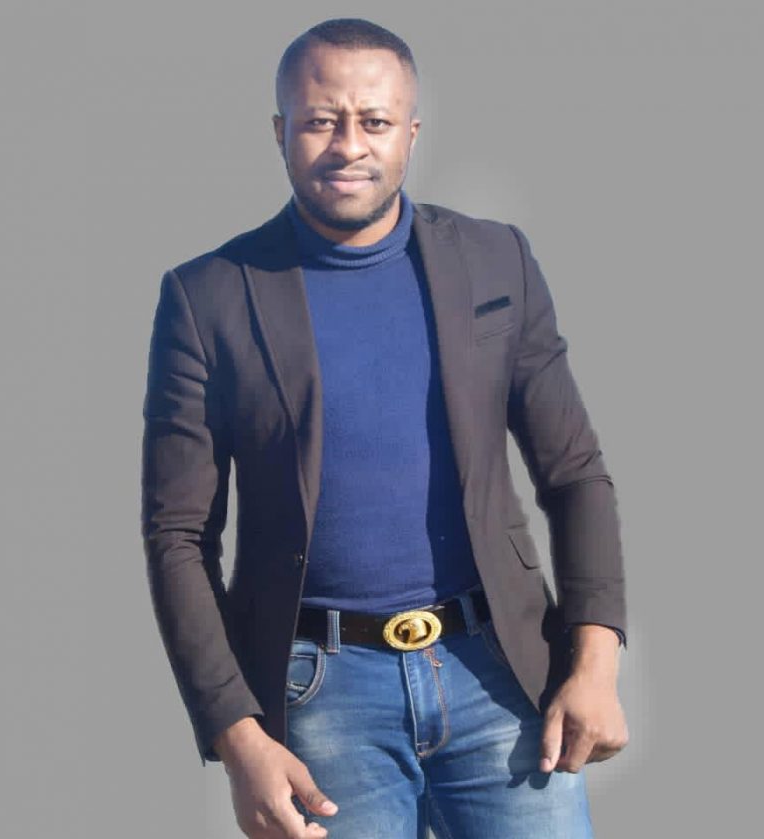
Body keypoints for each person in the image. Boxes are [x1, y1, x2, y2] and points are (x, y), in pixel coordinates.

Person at [141, 17, 628, 839]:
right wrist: (236, 733)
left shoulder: (497, 260)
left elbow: (575, 472)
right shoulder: (209, 296)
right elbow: (178, 533)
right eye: (320, 120)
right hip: (319, 692)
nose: (348, 145)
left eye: (373, 120)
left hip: (502, 674)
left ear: (411, 131)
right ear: (279, 131)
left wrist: (596, 662)